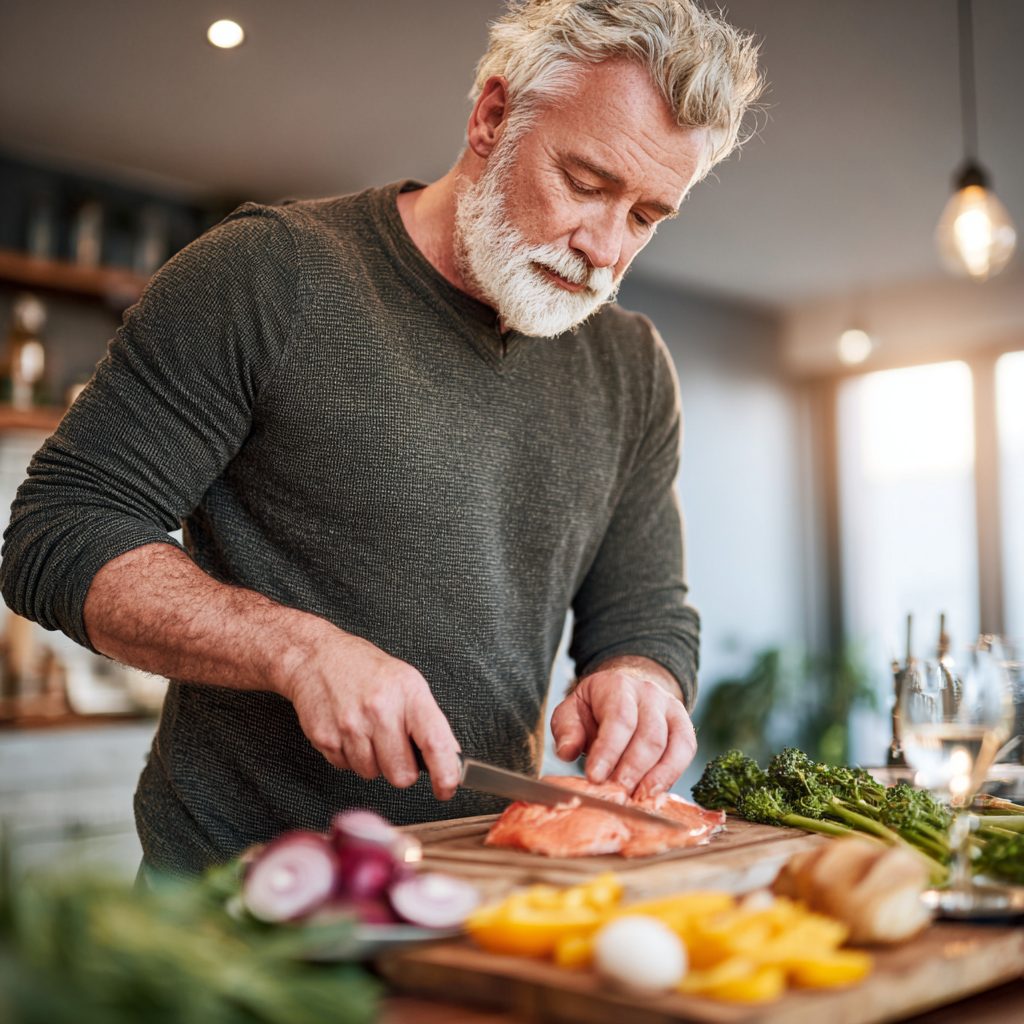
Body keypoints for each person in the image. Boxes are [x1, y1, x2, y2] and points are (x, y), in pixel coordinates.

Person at [0, 0, 761, 875]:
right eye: (585, 184)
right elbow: (58, 530)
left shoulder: (630, 367)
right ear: (492, 118)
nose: (603, 246)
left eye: (646, 216)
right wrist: (298, 650)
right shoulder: (266, 273)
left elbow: (645, 613)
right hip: (234, 905)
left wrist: (643, 682)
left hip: (480, 883)